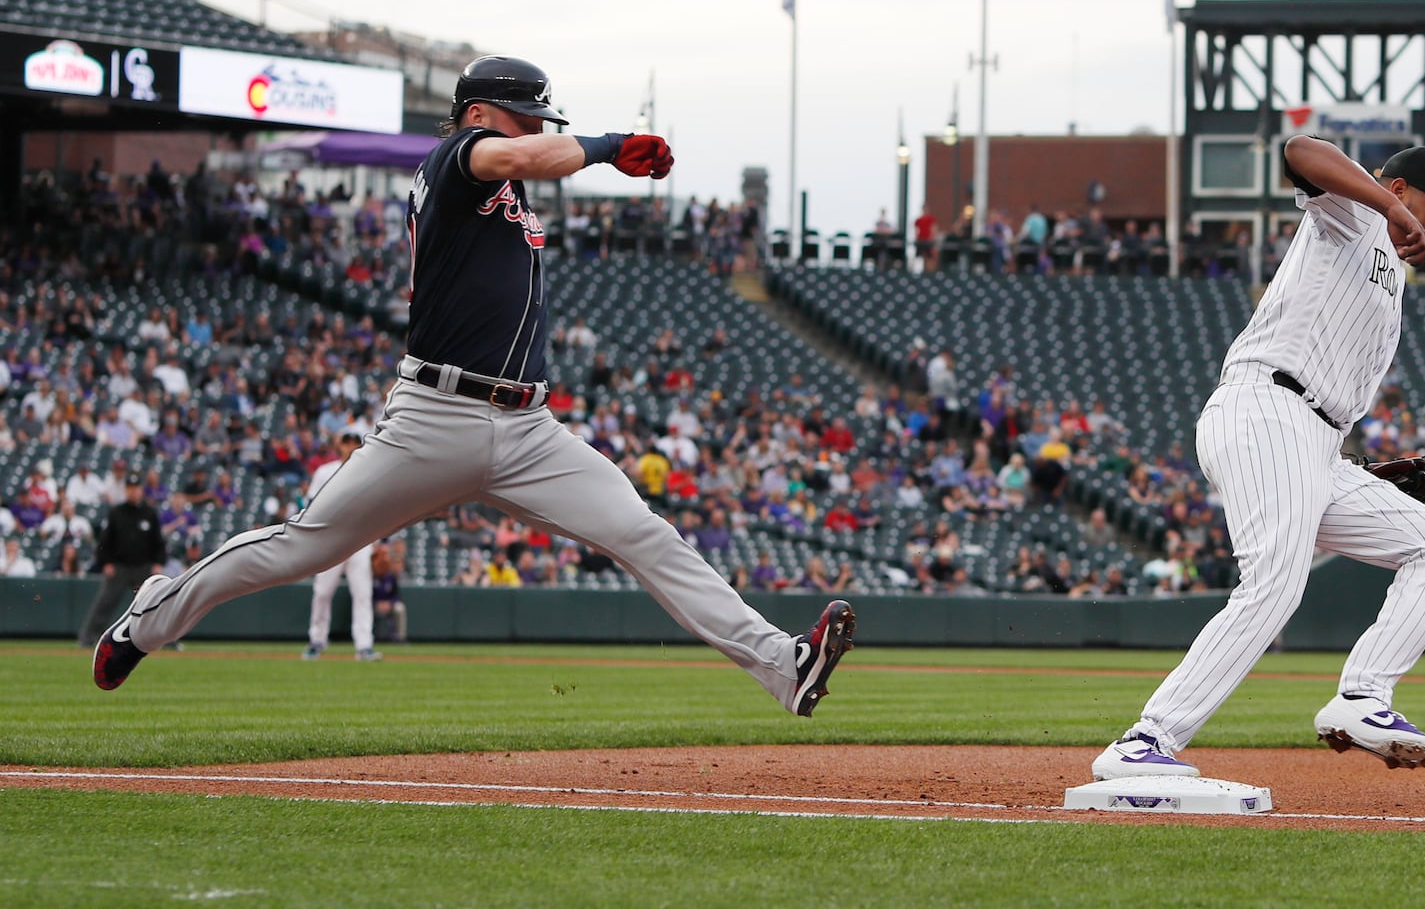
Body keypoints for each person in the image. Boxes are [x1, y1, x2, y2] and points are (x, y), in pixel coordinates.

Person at [92, 56, 855, 719]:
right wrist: (606, 146)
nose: (535, 130)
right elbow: (537, 159)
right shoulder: (457, 158)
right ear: (482, 114)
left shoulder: (506, 176)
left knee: (644, 533)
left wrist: (590, 149)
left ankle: (785, 667)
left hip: (528, 428)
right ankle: (148, 619)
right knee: (300, 549)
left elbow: (536, 165)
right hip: (434, 417)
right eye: (525, 118)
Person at [1091, 139, 1425, 780]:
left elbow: (1326, 388)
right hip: (1263, 408)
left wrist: (1353, 468)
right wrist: (1388, 204)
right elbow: (1300, 149)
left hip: (1314, 441)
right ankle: (1146, 740)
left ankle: (1363, 698)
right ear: (1403, 188)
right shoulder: (1358, 211)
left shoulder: (1389, 267)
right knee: (1275, 581)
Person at [301, 428, 381, 662]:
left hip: (360, 539)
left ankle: (364, 646)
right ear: (340, 445)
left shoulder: (370, 472)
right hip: (330, 539)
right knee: (322, 592)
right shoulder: (325, 471)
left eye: (355, 442)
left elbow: (377, 510)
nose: (350, 446)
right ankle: (316, 641)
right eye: (347, 442)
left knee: (362, 593)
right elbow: (312, 504)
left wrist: (377, 541)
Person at [77, 475, 166, 648]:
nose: (133, 491)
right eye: (130, 488)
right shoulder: (117, 512)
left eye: (136, 487)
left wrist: (158, 562)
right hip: (120, 567)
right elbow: (105, 542)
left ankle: (166, 639)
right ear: (126, 490)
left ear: (141, 489)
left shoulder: (149, 512)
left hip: (143, 567)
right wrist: (107, 563)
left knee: (154, 605)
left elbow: (159, 542)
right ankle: (87, 637)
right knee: (104, 603)